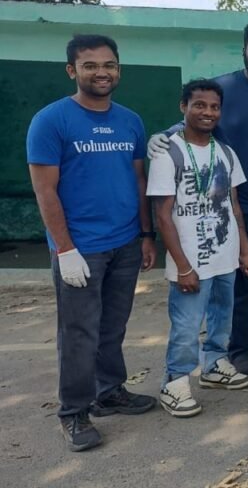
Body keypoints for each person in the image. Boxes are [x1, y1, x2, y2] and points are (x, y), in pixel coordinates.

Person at [148, 22, 248, 378]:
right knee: (241, 286)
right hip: (234, 210)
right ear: (244, 50)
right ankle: (238, 352)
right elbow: (193, 121)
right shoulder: (223, 89)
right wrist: (162, 136)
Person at [27, 34, 157, 452]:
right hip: (80, 248)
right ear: (72, 70)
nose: (101, 72)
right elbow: (46, 191)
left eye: (109, 65)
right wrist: (64, 249)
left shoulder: (131, 121)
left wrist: (146, 234)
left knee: (112, 327)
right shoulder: (51, 121)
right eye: (90, 65)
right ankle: (74, 412)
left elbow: (138, 180)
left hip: (125, 244)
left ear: (119, 69)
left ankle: (109, 391)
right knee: (79, 332)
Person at [148, 80, 248, 417]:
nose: (207, 112)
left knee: (222, 314)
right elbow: (162, 215)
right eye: (199, 105)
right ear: (183, 107)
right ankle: (175, 382)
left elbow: (234, 206)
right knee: (186, 321)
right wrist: (182, 265)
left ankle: (214, 365)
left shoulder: (225, 152)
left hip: (224, 253)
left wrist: (244, 252)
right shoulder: (168, 152)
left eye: (213, 107)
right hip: (191, 258)